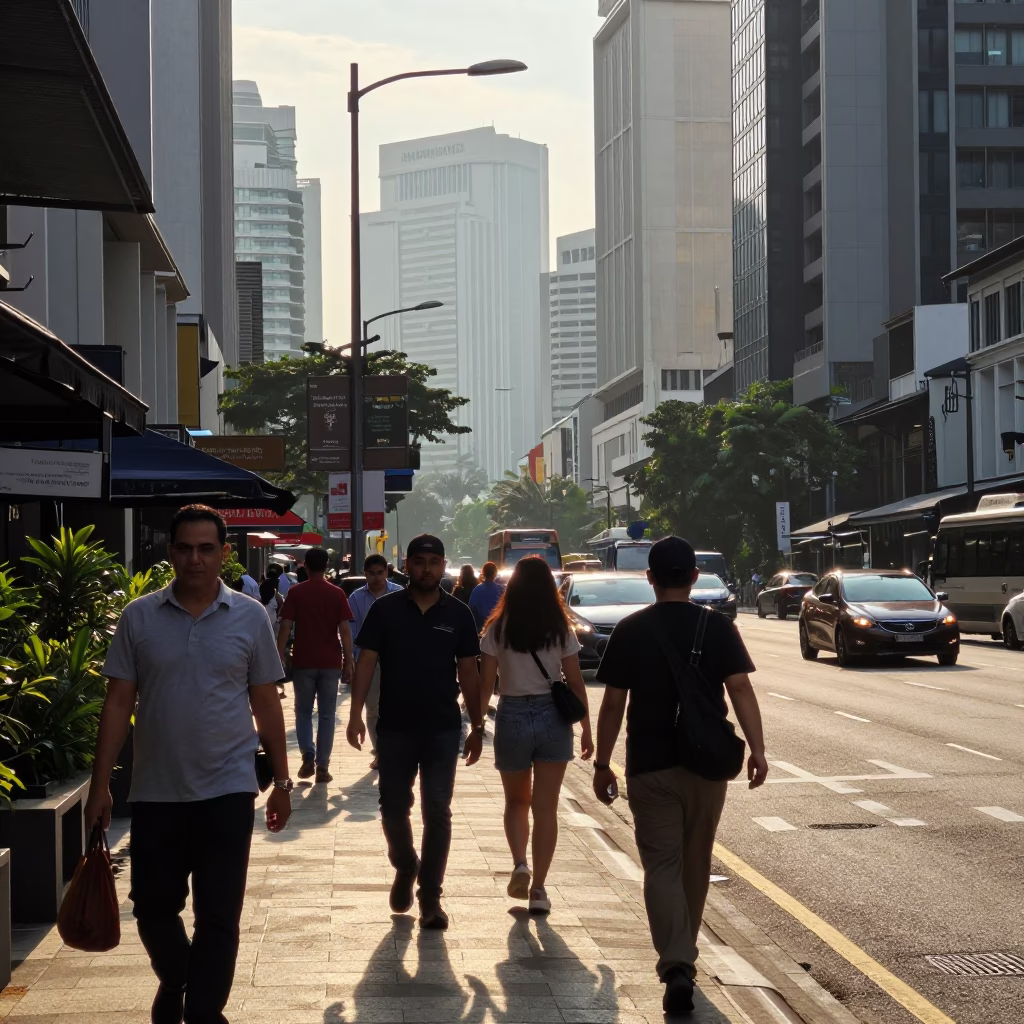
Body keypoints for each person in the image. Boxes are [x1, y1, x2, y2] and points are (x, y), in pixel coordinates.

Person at [84, 504, 291, 1024]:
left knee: (219, 915)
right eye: (184, 548)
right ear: (170, 551)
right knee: (152, 907)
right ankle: (178, 977)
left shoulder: (248, 616)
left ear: (224, 553)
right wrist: (100, 785)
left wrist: (284, 780)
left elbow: (266, 703)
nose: (195, 559)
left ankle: (202, 1011)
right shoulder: (139, 617)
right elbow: (117, 703)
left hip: (228, 788)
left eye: (206, 548)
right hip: (156, 790)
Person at [592, 536, 768, 1016]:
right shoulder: (717, 628)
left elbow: (612, 703)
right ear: (693, 576)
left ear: (649, 578)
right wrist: (757, 749)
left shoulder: (630, 629)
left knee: (661, 866)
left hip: (650, 765)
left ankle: (676, 964)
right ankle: (682, 958)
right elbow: (740, 689)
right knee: (696, 861)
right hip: (708, 766)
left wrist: (603, 762)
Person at [346, 534, 484, 930]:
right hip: (394, 727)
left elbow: (469, 674)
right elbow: (367, 661)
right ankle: (406, 864)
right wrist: (356, 715)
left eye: (434, 563)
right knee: (392, 806)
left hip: (442, 727)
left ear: (443, 566)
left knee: (437, 812)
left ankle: (431, 897)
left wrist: (477, 725)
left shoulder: (458, 614)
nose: (427, 569)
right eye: (419, 562)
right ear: (405, 565)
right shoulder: (385, 610)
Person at [479, 556, 593, 914]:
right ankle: (540, 890)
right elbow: (575, 682)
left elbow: (486, 685)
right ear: (549, 587)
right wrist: (587, 728)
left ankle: (519, 864)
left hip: (511, 712)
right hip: (552, 717)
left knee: (516, 802)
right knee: (546, 808)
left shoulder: (497, 628)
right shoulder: (561, 628)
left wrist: (476, 725)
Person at [277, 547, 354, 784]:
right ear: (326, 565)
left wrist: (279, 654)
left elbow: (286, 626)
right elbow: (344, 629)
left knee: (302, 711)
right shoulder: (336, 593)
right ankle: (323, 765)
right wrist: (349, 660)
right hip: (330, 661)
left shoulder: (296, 592)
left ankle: (307, 755)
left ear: (305, 566)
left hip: (303, 661)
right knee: (327, 714)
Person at [347, 553, 403, 771]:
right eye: (372, 573)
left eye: (380, 573)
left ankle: (396, 749)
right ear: (365, 574)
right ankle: (380, 752)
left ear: (387, 572)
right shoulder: (356, 598)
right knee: (372, 709)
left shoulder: (400, 594)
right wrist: (350, 657)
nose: (377, 577)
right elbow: (352, 631)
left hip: (397, 658)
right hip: (367, 659)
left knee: (397, 706)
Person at [468, 561, 504, 632]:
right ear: (495, 573)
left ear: (483, 573)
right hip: (496, 628)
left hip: (480, 628)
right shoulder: (501, 590)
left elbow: (471, 609)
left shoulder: (477, 590)